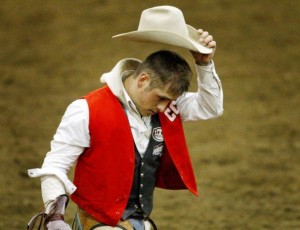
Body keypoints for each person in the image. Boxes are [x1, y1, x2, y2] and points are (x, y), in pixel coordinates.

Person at [27, 5, 223, 230]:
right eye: (159, 98)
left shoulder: (167, 106)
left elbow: (211, 107)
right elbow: (55, 165)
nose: (163, 108)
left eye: (169, 101)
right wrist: (55, 217)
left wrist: (204, 64)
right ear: (142, 80)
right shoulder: (86, 109)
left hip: (140, 223)